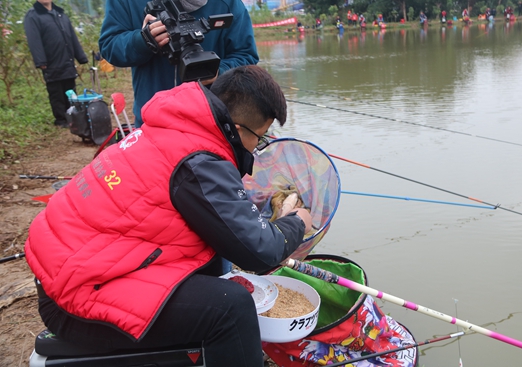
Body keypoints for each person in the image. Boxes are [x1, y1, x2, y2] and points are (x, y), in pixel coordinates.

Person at [25, 65, 313, 367]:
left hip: (68, 272)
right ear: (239, 130)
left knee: (214, 262)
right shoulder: (200, 162)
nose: (257, 148)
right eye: (261, 137)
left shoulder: (174, 128)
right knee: (232, 306)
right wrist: (297, 222)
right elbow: (261, 251)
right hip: (74, 299)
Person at [98, 0, 259, 129]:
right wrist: (142, 40)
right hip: (152, 122)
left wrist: (219, 71)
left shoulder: (228, 4)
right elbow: (110, 46)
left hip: (209, 124)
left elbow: (246, 56)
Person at [24, 0, 88, 128]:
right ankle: (61, 119)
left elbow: (72, 37)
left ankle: (72, 116)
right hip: (51, 60)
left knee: (70, 89)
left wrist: (81, 57)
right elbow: (34, 40)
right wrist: (41, 60)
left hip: (67, 59)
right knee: (56, 91)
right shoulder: (33, 15)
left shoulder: (60, 14)